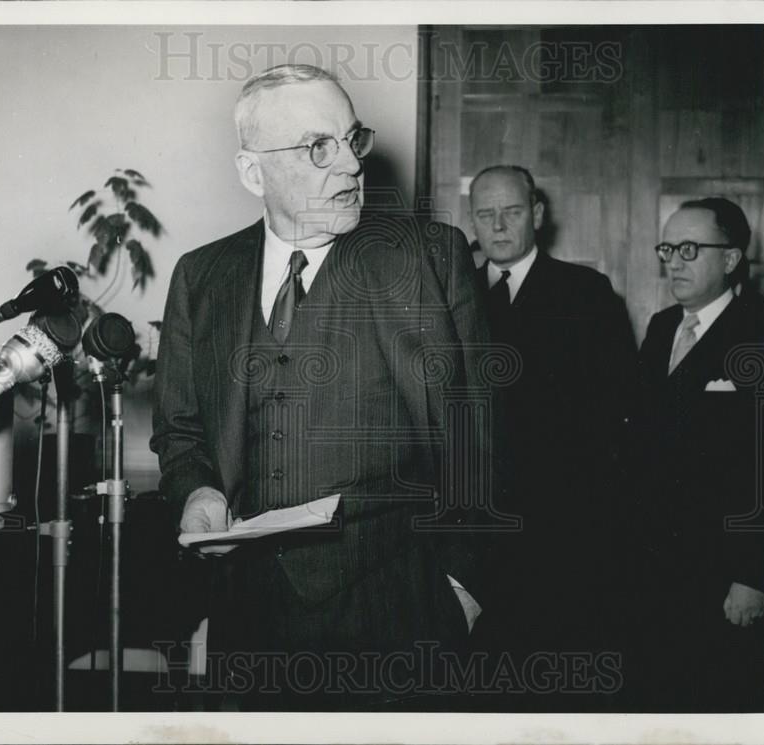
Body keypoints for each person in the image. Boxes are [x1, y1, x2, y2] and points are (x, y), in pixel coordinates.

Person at [150, 64, 501, 711]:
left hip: (400, 608)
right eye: (319, 147)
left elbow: (478, 434)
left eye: (352, 139)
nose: (349, 166)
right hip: (247, 615)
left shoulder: (430, 257)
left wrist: (464, 585)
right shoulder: (201, 276)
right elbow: (181, 428)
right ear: (253, 172)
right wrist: (197, 490)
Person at [467, 165, 637, 709]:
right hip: (477, 527)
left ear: (536, 214)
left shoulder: (584, 292)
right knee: (484, 678)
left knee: (556, 675)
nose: (497, 226)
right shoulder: (457, 294)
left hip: (563, 526)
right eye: (485, 214)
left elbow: (617, 412)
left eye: (511, 212)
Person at [631, 197, 764, 711]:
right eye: (668, 248)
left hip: (722, 574)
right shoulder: (663, 326)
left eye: (690, 248)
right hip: (654, 564)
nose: (674, 261)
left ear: (731, 259)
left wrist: (754, 576)